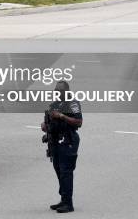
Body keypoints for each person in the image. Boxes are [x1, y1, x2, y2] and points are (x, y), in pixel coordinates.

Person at [42, 80, 83, 213]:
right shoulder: (54, 104)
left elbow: (78, 122)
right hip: (55, 142)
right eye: (56, 91)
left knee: (66, 172)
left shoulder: (73, 104)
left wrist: (61, 116)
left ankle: (68, 204)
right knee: (59, 170)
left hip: (68, 141)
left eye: (60, 91)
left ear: (66, 91)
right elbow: (49, 122)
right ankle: (64, 199)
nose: (57, 93)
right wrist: (45, 125)